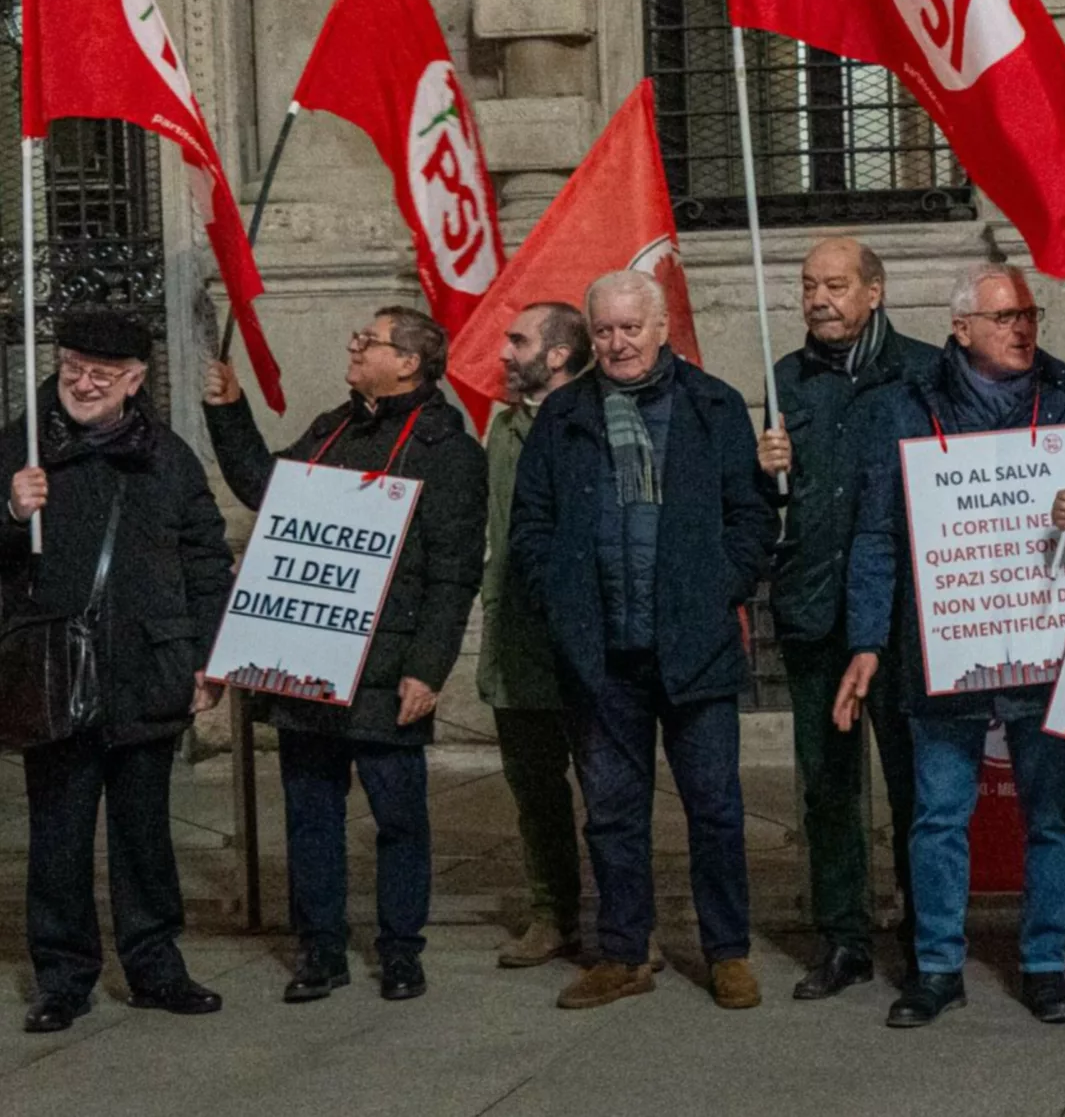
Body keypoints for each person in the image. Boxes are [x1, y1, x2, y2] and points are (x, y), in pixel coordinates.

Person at [833, 262, 1065, 1028]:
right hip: (943, 644)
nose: (1022, 326)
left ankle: (1046, 963)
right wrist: (866, 639)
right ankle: (935, 966)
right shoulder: (903, 409)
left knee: (1051, 813)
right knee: (937, 814)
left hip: (1044, 647)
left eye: (1029, 312)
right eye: (1004, 316)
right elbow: (876, 533)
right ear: (961, 329)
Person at [509, 270, 775, 1012]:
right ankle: (624, 950)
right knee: (613, 811)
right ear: (589, 336)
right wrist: (559, 593)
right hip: (600, 654)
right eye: (604, 330)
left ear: (661, 328)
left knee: (715, 807)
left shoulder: (714, 405)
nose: (618, 343)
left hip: (695, 647)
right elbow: (531, 522)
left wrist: (722, 583)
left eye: (631, 327)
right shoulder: (562, 414)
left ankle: (728, 952)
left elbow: (752, 517)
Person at [206, 308, 485, 1005]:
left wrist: (429, 666)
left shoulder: (447, 449)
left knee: (398, 816)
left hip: (388, 669)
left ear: (411, 363)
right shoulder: (334, 427)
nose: (354, 344)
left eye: (371, 340)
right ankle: (320, 947)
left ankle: (400, 950)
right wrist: (231, 412)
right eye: (356, 334)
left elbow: (454, 571)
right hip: (311, 657)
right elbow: (267, 491)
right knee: (310, 815)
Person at [5, 313, 230, 1032]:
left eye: (103, 371)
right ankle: (64, 975)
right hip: (53, 671)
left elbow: (205, 559)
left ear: (136, 379)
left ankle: (155, 963)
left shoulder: (168, 455)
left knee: (144, 832)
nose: (83, 381)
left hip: (148, 666)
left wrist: (210, 653)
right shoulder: (22, 444)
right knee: (59, 835)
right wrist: (9, 511)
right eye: (73, 364)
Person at [755, 235, 934, 997]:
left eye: (834, 284)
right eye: (807, 286)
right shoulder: (785, 378)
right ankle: (843, 935)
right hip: (814, 608)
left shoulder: (923, 372)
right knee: (827, 783)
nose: (818, 299)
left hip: (904, 619)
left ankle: (929, 929)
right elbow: (769, 505)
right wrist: (764, 474)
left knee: (916, 778)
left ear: (875, 291)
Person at [479, 302, 592, 969]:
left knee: (612, 788)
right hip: (519, 639)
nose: (503, 350)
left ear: (555, 354)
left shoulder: (600, 416)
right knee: (535, 791)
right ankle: (552, 912)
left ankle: (631, 918)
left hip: (589, 639)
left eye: (517, 339)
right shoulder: (503, 431)